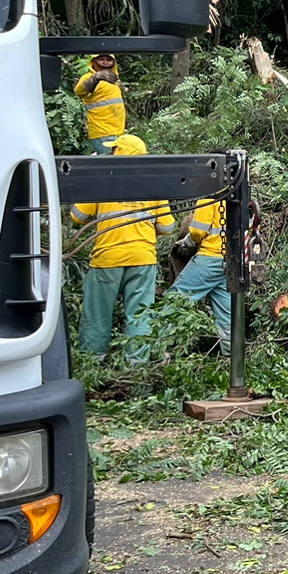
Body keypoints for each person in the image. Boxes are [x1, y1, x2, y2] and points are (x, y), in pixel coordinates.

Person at [70, 134, 174, 360]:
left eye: (114, 150)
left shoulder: (103, 180)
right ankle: (138, 367)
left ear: (121, 154)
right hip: (143, 260)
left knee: (97, 316)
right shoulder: (154, 184)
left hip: (108, 259)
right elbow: (167, 227)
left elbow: (78, 216)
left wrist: (88, 177)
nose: (111, 153)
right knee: (140, 316)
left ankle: (92, 363)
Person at [170, 198, 231, 352]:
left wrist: (186, 243)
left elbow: (198, 231)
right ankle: (231, 358)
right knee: (227, 316)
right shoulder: (242, 196)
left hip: (209, 259)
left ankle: (154, 348)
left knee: (174, 300)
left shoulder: (209, 198)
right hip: (231, 264)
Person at [74, 53, 126, 153]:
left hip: (116, 132)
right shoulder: (88, 77)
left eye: (108, 60)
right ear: (93, 62)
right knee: (111, 165)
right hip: (103, 132)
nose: (105, 63)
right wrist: (95, 77)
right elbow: (79, 91)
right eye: (101, 59)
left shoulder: (112, 82)